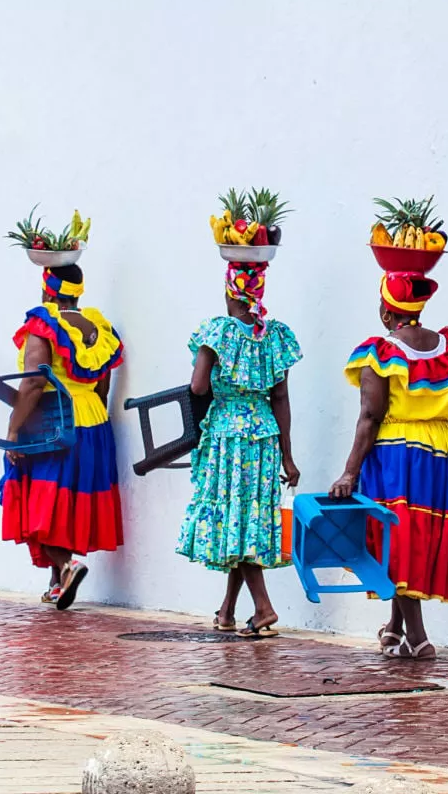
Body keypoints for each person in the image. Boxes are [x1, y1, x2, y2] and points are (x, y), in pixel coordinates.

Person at [330, 271, 448, 659]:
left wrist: (349, 471)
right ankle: (395, 627)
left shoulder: (379, 352)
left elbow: (370, 416)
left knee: (396, 543)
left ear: (385, 311)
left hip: (398, 452)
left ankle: (418, 636)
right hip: (446, 451)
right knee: (419, 539)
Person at [176, 262, 302, 637]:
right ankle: (228, 610)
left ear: (230, 291)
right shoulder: (274, 336)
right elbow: (281, 398)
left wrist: (221, 380)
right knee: (247, 519)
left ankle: (263, 608)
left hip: (228, 436)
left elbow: (198, 387)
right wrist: (288, 456)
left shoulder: (219, 332)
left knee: (236, 520)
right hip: (263, 435)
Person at [0, 264, 124, 610]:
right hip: (93, 421)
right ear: (77, 291)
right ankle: (56, 582)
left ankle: (68, 566)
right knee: (65, 501)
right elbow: (103, 382)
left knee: (36, 501)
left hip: (54, 421)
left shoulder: (44, 326)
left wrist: (13, 429)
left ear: (47, 290)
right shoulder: (98, 326)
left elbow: (34, 382)